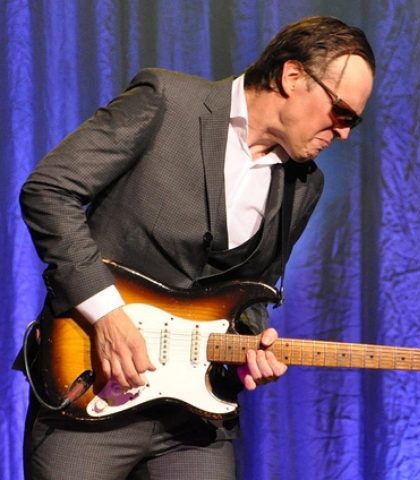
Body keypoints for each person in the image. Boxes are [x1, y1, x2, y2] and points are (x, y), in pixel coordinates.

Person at [18, 15, 375, 480]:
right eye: (342, 113)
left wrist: (250, 350)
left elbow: (252, 292)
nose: (344, 132)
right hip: (90, 390)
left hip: (195, 422)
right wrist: (106, 314)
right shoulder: (167, 102)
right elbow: (49, 191)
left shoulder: (304, 185)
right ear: (293, 77)